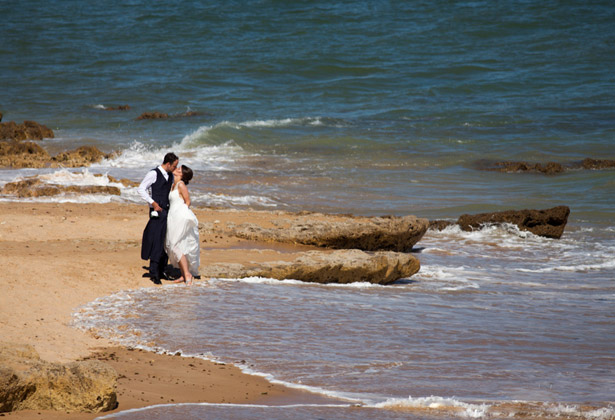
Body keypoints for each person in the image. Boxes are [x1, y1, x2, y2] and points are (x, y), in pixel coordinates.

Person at [138, 152, 179, 284]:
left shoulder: (170, 175)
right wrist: (153, 203)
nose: (175, 169)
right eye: (174, 166)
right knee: (157, 240)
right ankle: (154, 272)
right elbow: (141, 189)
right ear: (168, 164)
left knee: (165, 240)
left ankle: (161, 270)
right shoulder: (154, 173)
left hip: (168, 211)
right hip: (157, 211)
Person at [165, 165, 200, 285]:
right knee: (173, 244)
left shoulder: (181, 185)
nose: (176, 169)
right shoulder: (173, 184)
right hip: (172, 217)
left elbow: (188, 201)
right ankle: (183, 274)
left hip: (179, 216)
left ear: (183, 175)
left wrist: (183, 213)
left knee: (175, 245)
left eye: (179, 169)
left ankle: (187, 274)